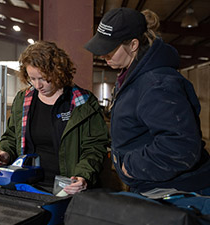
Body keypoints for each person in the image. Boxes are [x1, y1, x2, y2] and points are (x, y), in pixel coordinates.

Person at [84, 8, 210, 212]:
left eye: (110, 48)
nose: (103, 54)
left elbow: (181, 145)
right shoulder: (131, 76)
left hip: (176, 193)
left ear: (133, 45)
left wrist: (131, 166)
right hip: (153, 186)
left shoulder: (156, 83)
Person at [0, 41, 109, 194]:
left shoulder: (83, 102)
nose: (37, 85)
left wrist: (83, 176)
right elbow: (12, 136)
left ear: (58, 72)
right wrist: (5, 153)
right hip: (25, 184)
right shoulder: (23, 99)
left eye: (43, 78)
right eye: (32, 79)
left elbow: (94, 147)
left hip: (67, 188)